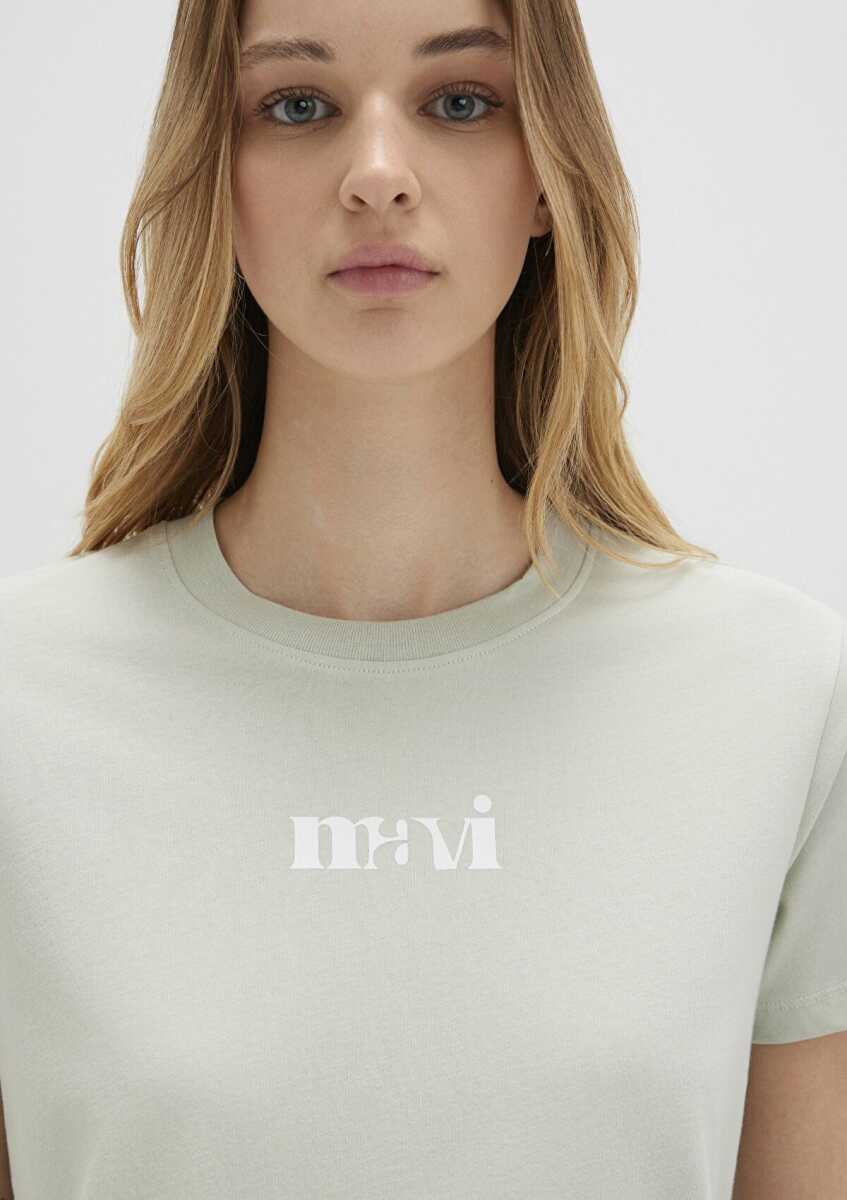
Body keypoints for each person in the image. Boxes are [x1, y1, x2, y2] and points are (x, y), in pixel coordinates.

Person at [1, 0, 845, 1196]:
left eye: (460, 102)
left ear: (547, 171)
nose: (378, 174)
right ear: (214, 175)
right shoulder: (22, 704)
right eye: (298, 105)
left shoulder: (783, 698)